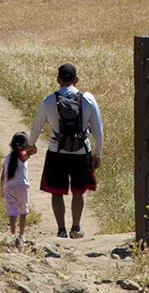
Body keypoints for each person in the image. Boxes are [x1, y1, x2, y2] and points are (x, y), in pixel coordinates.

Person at [27, 62, 103, 239]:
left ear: (58, 80)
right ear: (76, 79)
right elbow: (98, 130)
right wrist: (97, 154)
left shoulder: (49, 100)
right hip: (81, 152)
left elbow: (36, 127)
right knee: (78, 191)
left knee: (56, 192)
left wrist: (31, 144)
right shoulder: (88, 99)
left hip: (56, 151)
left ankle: (61, 230)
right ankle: (76, 228)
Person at [0, 130, 32, 247]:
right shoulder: (22, 155)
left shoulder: (7, 158)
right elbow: (28, 154)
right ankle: (21, 235)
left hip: (9, 187)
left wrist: (1, 189)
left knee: (12, 213)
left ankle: (13, 234)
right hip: (22, 186)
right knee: (23, 212)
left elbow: (3, 175)